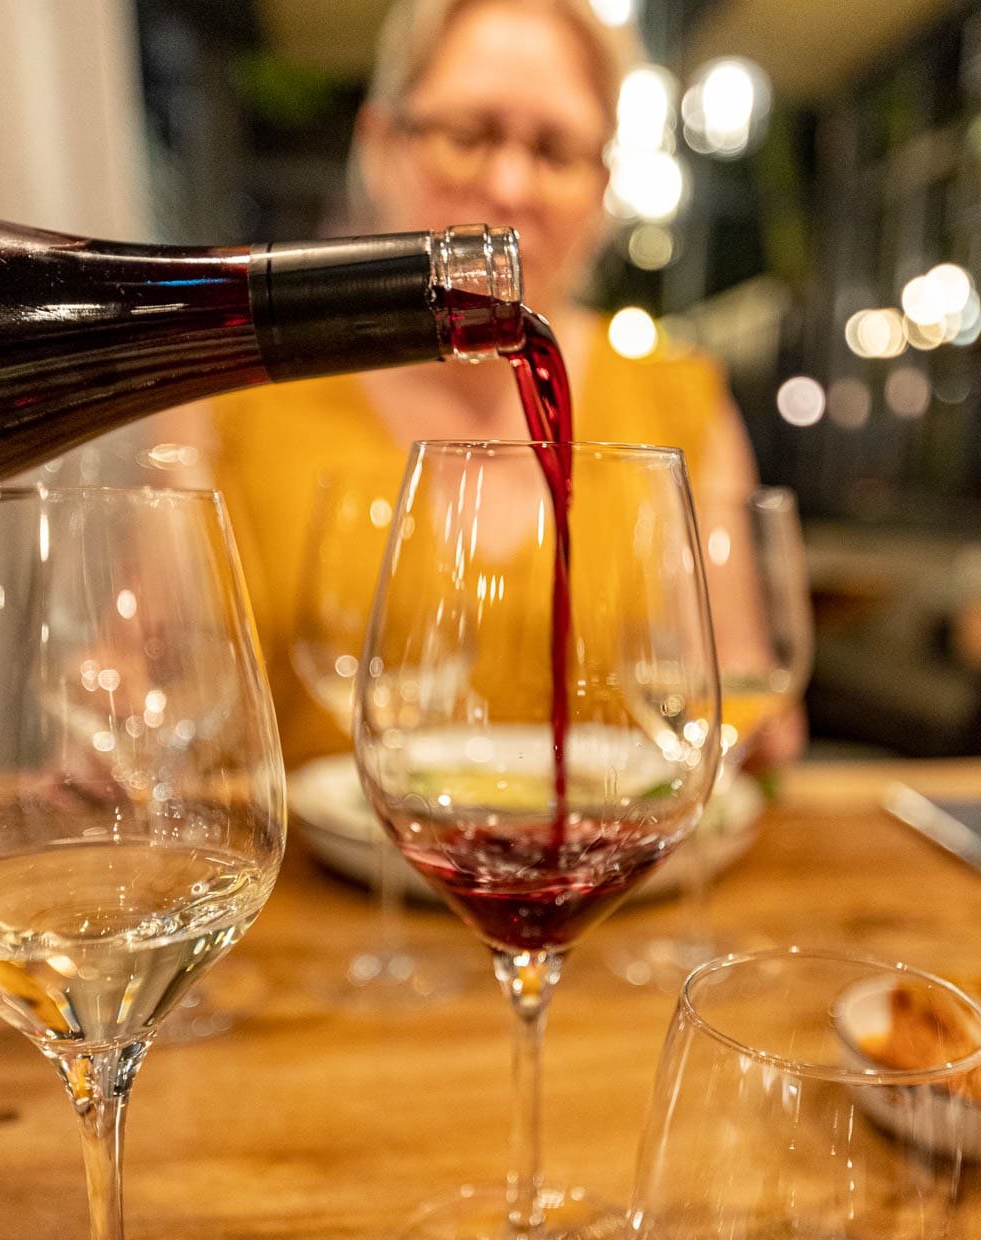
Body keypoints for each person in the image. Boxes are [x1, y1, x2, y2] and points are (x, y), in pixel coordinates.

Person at [213, 0, 775, 768]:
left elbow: (741, 697)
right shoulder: (242, 393)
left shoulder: (683, 403)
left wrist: (760, 736)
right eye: (467, 137)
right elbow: (154, 693)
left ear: (603, 180)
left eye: (556, 151)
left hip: (608, 881)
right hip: (307, 885)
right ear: (380, 144)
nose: (511, 187)